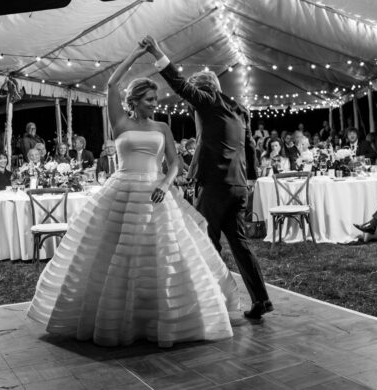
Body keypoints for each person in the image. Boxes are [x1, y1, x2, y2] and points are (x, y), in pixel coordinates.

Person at [27, 41, 239, 348]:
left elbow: (174, 164)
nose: (155, 103)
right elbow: (112, 83)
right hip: (121, 192)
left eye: (155, 99)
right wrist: (139, 55)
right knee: (114, 258)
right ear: (135, 101)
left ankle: (158, 317)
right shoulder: (120, 122)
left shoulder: (163, 127)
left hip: (156, 194)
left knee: (162, 258)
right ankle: (119, 318)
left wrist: (164, 185)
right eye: (150, 99)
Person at [145, 35, 272, 319]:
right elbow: (250, 146)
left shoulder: (208, 101)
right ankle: (261, 299)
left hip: (215, 186)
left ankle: (213, 301)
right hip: (238, 186)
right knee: (239, 244)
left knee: (204, 240)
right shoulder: (239, 110)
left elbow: (179, 83)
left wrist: (157, 51)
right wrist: (250, 178)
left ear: (203, 91)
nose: (191, 107)